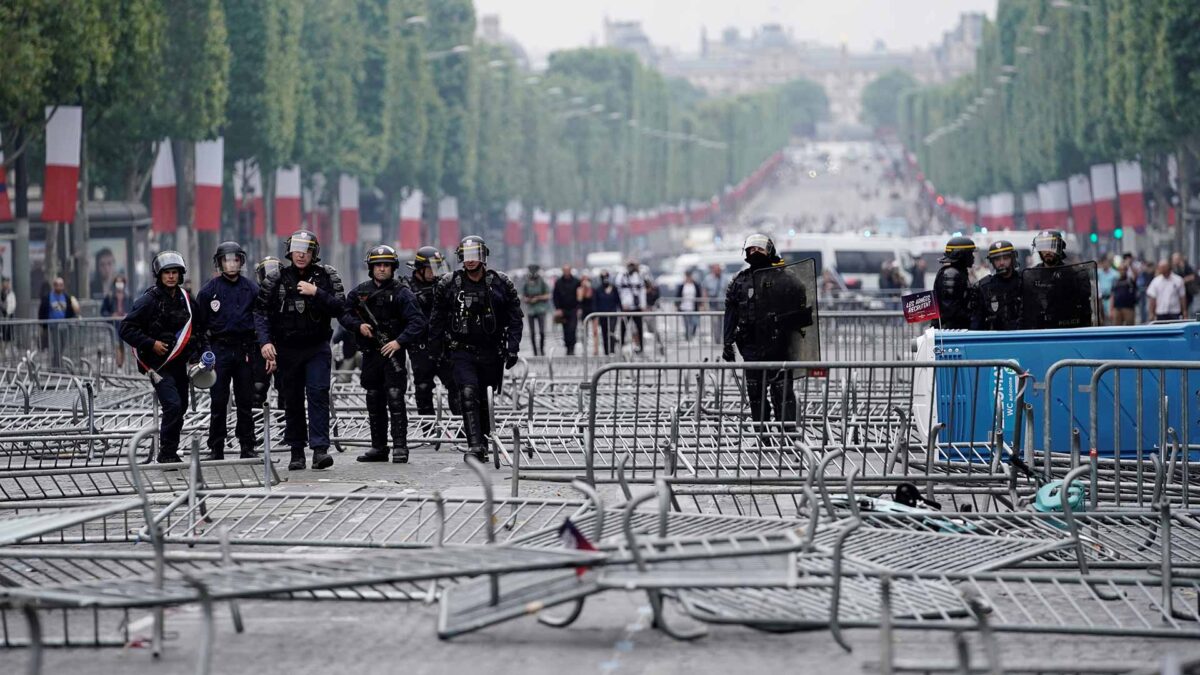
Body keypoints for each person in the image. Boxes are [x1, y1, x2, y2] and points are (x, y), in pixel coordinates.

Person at [254, 230, 345, 471]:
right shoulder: (276, 279)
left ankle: (320, 450)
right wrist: (265, 342)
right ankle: (296, 451)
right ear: (289, 251)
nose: (301, 255)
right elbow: (261, 313)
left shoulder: (326, 276)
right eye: (297, 249)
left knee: (318, 394)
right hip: (287, 349)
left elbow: (341, 309)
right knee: (291, 400)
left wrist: (317, 293)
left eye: (306, 250)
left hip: (316, 347)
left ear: (314, 253)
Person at [428, 236, 522, 462]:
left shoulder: (501, 283)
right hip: (462, 351)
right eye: (466, 256)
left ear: (482, 257)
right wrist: (435, 350)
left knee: (484, 397)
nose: (470, 261)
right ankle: (475, 446)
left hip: (491, 351)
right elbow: (437, 319)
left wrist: (513, 348)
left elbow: (515, 317)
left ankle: (486, 439)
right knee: (468, 395)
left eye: (474, 256)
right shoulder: (449, 284)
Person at [341, 245, 426, 464]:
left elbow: (418, 322)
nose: (381, 269)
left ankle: (400, 446)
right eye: (378, 265)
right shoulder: (360, 292)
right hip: (371, 353)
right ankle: (378, 447)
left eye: (386, 265)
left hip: (393, 354)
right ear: (371, 268)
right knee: (373, 399)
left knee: (396, 399)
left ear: (393, 268)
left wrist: (399, 342)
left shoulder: (402, 293)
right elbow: (344, 314)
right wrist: (359, 326)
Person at [119, 251, 206, 463]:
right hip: (158, 366)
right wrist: (151, 343)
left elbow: (199, 329)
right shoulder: (148, 300)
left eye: (175, 272)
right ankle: (166, 453)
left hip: (179, 364)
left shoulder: (186, 299)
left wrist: (198, 355)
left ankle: (171, 450)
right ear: (159, 275)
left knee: (182, 406)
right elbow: (125, 328)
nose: (171, 277)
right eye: (167, 272)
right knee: (173, 405)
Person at [722, 234, 801, 426]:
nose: (755, 252)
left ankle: (788, 434)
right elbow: (731, 313)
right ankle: (762, 434)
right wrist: (727, 342)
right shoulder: (739, 281)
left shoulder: (785, 278)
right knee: (755, 392)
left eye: (760, 249)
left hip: (779, 345)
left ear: (770, 252)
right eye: (752, 249)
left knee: (782, 392)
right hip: (751, 347)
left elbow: (800, 304)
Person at [195, 242, 260, 460]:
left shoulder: (252, 289)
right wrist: (204, 353)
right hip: (219, 350)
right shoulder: (208, 291)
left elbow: (260, 322)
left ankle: (247, 445)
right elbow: (200, 327)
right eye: (226, 260)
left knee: (245, 400)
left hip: (244, 350)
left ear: (241, 261)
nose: (231, 264)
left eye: (235, 259)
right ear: (220, 263)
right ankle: (216, 447)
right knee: (218, 400)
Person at [407, 246, 458, 416]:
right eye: (431, 268)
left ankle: (462, 428)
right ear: (420, 270)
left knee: (456, 385)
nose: (435, 272)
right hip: (421, 346)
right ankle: (428, 431)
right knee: (423, 387)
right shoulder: (406, 288)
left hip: (444, 344)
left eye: (438, 267)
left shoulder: (444, 285)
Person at [972, 240, 1022, 331]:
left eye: (1006, 258)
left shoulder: (1024, 281)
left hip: (1023, 337)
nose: (1001, 263)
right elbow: (977, 321)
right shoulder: (984, 287)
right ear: (992, 262)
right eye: (997, 259)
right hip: (994, 339)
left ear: (1013, 259)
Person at [932, 236, 976, 330]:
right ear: (961, 254)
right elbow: (950, 309)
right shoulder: (951, 274)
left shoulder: (959, 272)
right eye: (970, 253)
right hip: (950, 331)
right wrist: (972, 315)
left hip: (956, 330)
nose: (973, 257)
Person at [39, 276, 79, 366]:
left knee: (63, 346)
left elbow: (70, 311)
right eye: (57, 285)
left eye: (61, 285)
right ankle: (57, 366)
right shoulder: (48, 297)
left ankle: (59, 364)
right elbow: (42, 311)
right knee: (56, 347)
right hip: (53, 326)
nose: (59, 287)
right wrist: (43, 325)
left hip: (64, 326)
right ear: (54, 286)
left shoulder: (66, 297)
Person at [615, 259, 646, 352]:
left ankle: (641, 346)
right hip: (626, 306)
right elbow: (618, 290)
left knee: (639, 327)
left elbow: (642, 291)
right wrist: (622, 304)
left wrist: (643, 304)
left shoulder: (639, 276)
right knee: (623, 327)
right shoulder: (622, 276)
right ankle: (621, 346)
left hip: (637, 306)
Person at [521, 264, 551, 356]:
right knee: (532, 332)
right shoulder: (526, 282)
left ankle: (541, 350)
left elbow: (548, 295)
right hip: (530, 310)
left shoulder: (542, 281)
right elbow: (523, 296)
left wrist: (538, 298)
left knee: (542, 331)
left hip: (540, 309)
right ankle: (535, 351)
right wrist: (527, 299)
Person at [552, 264, 581, 355]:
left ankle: (572, 347)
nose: (566, 272)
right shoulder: (558, 282)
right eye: (565, 270)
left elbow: (580, 296)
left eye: (568, 270)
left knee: (572, 329)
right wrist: (558, 309)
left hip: (573, 309)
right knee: (565, 330)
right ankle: (568, 347)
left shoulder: (576, 281)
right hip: (563, 310)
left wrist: (579, 308)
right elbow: (555, 296)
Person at [592, 270, 621, 355]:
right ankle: (606, 352)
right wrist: (595, 315)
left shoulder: (613, 288)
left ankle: (612, 350)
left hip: (612, 314)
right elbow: (595, 303)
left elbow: (618, 301)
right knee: (604, 334)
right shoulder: (598, 290)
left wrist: (622, 311)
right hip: (602, 315)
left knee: (611, 331)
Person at [702, 263, 728, 343]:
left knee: (724, 324)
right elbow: (705, 291)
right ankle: (717, 340)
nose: (717, 271)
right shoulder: (708, 279)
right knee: (716, 324)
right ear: (713, 270)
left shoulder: (725, 279)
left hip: (723, 305)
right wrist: (704, 303)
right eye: (716, 269)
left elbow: (728, 291)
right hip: (713, 305)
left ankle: (725, 340)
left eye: (718, 269)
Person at [1110, 261, 1138, 326]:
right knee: (1117, 330)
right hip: (1117, 309)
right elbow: (1112, 296)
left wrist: (1130, 265)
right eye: (1121, 269)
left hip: (1129, 309)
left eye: (1124, 269)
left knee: (1130, 329)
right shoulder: (1115, 282)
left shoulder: (1130, 280)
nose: (1122, 271)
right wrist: (1111, 310)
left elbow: (1136, 275)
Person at [678, 269, 701, 341]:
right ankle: (688, 337)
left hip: (694, 307)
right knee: (686, 324)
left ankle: (692, 335)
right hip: (684, 307)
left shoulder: (696, 285)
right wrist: (677, 305)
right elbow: (678, 295)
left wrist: (701, 305)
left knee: (694, 323)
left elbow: (699, 295)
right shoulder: (682, 285)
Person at [578, 273, 596, 353]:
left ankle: (595, 350)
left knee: (595, 331)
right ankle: (584, 348)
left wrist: (588, 288)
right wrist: (583, 288)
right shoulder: (579, 289)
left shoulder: (592, 289)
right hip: (584, 311)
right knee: (584, 331)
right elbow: (580, 299)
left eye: (587, 280)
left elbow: (591, 296)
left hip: (593, 310)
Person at [1, 277, 15, 347]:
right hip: (2, 316)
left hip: (9, 316)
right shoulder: (1, 293)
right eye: (5, 282)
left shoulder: (11, 293)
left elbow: (13, 305)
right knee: (3, 334)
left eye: (8, 282)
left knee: (8, 334)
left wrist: (8, 311)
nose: (7, 284)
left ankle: (7, 349)